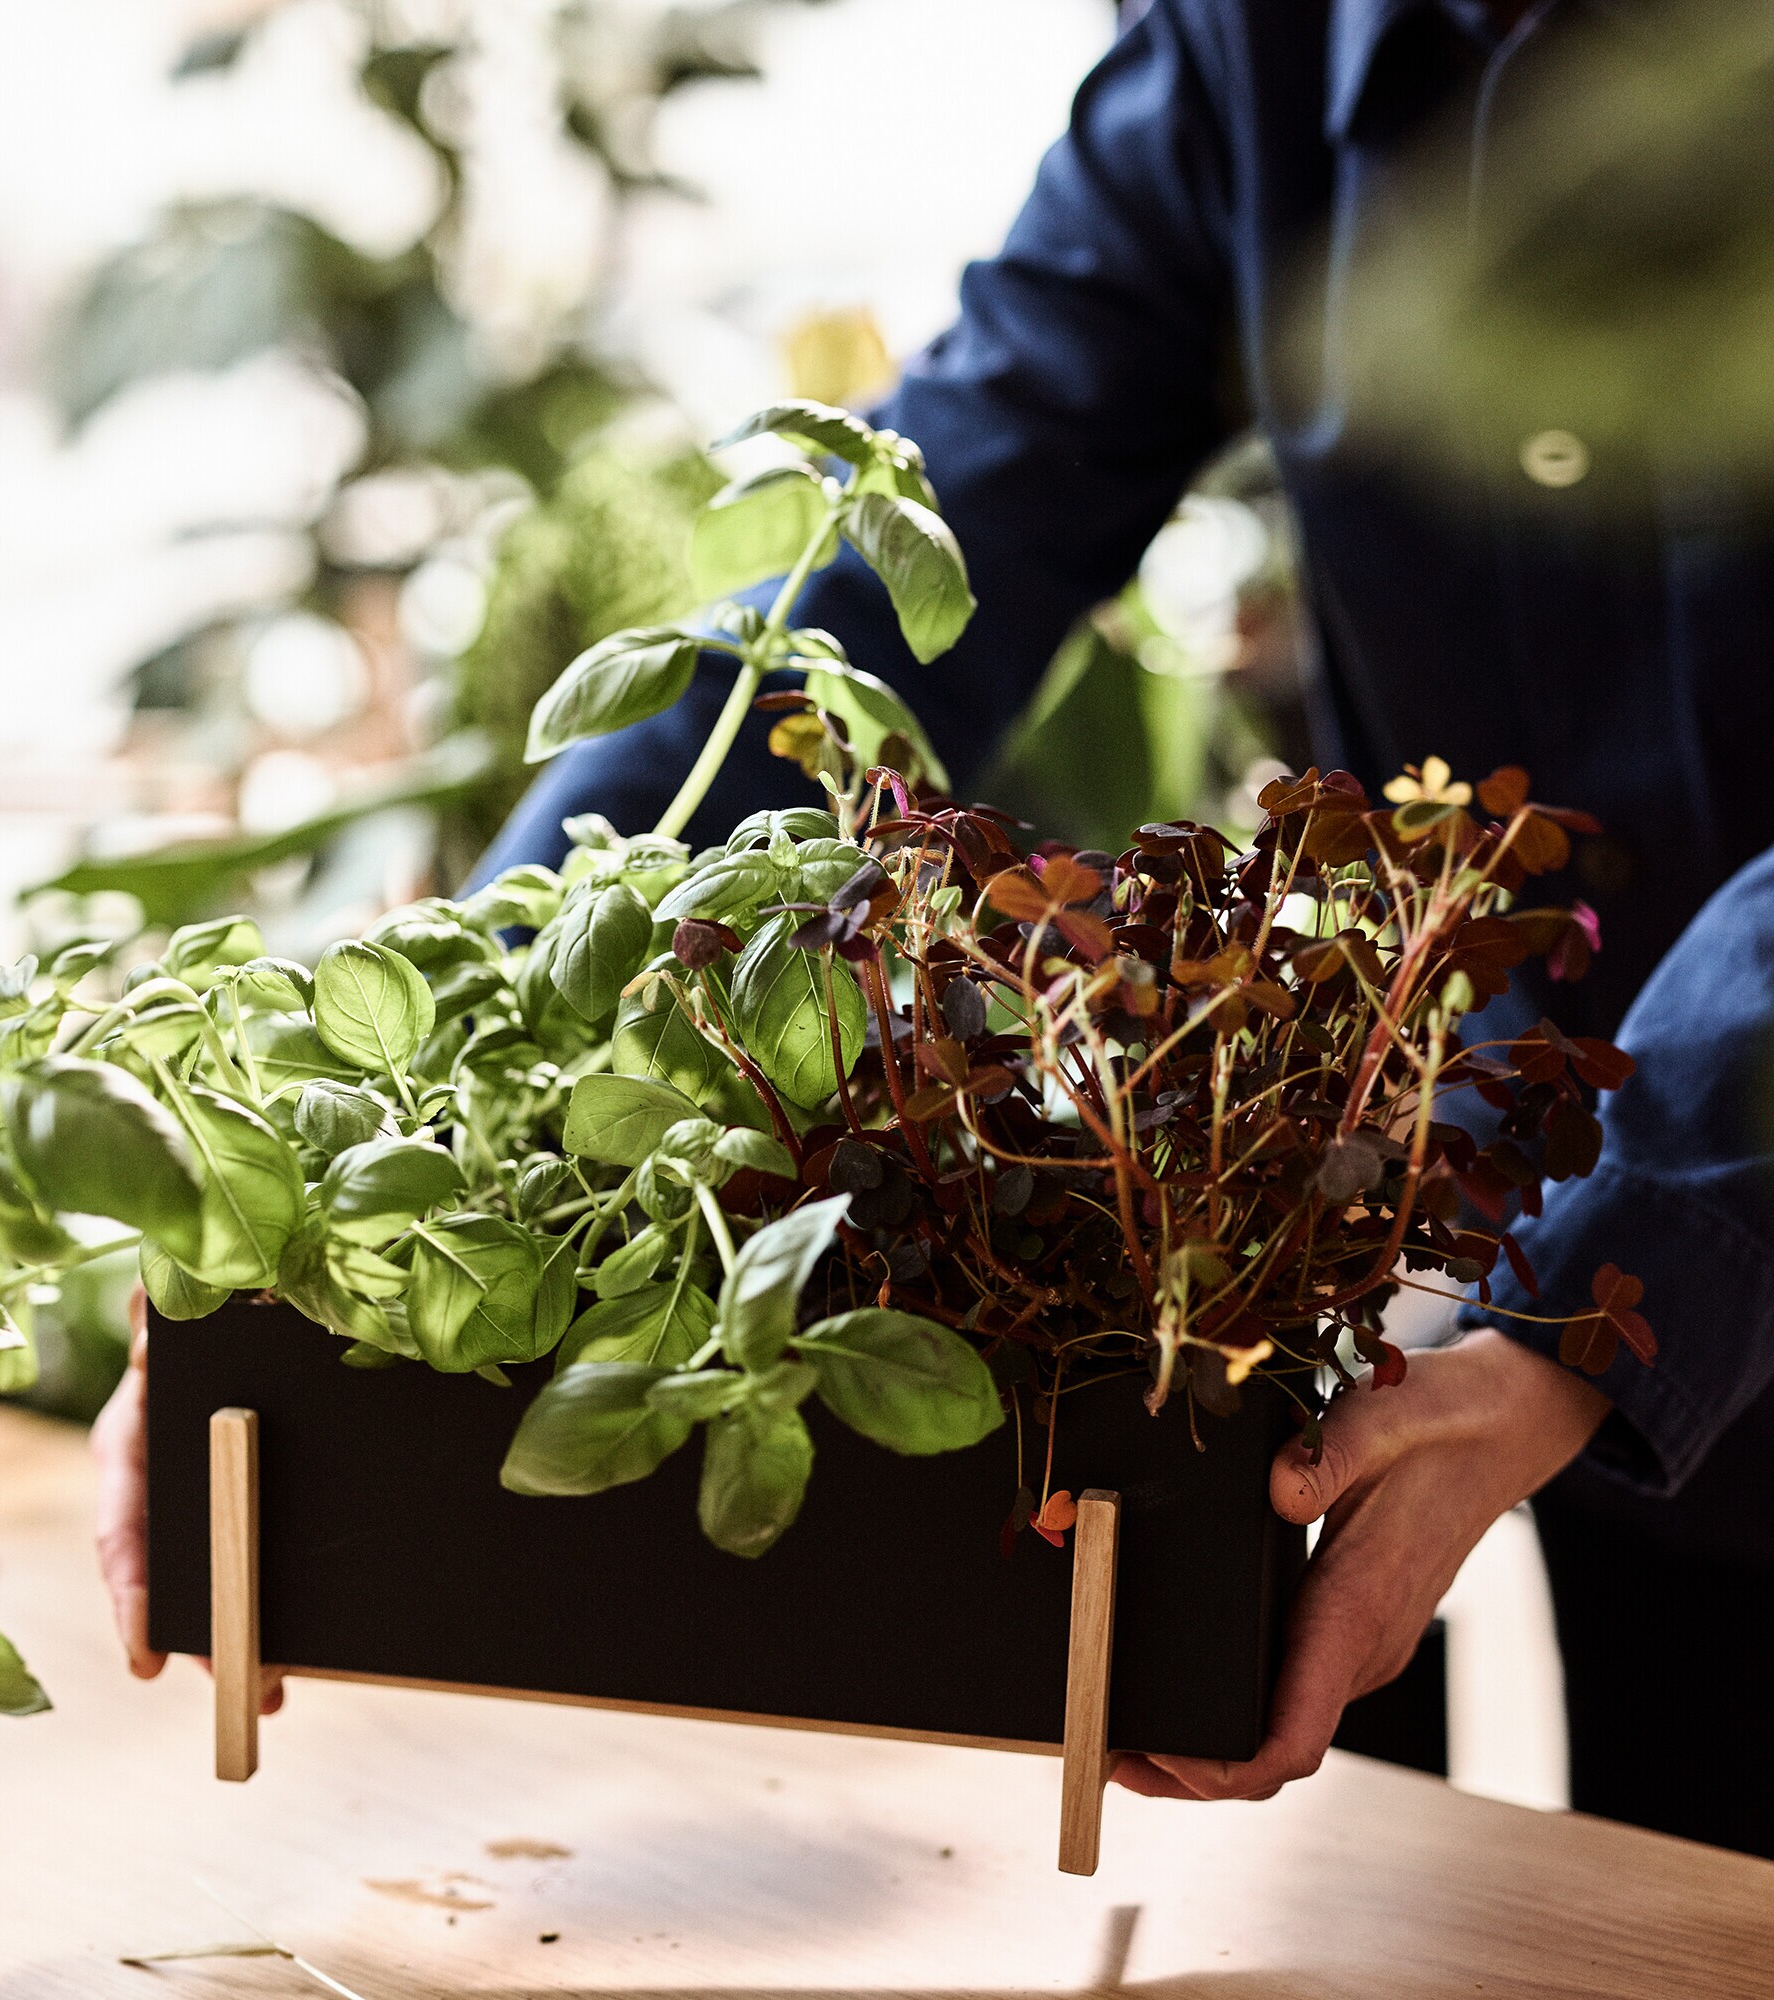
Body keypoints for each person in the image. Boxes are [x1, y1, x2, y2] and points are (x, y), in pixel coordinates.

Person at [95, 0, 1774, 1855]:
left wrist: (1602, 1292)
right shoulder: (1263, 45)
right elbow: (929, 528)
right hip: (1542, 1284)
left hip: (1625, 1273)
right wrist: (365, 1142)